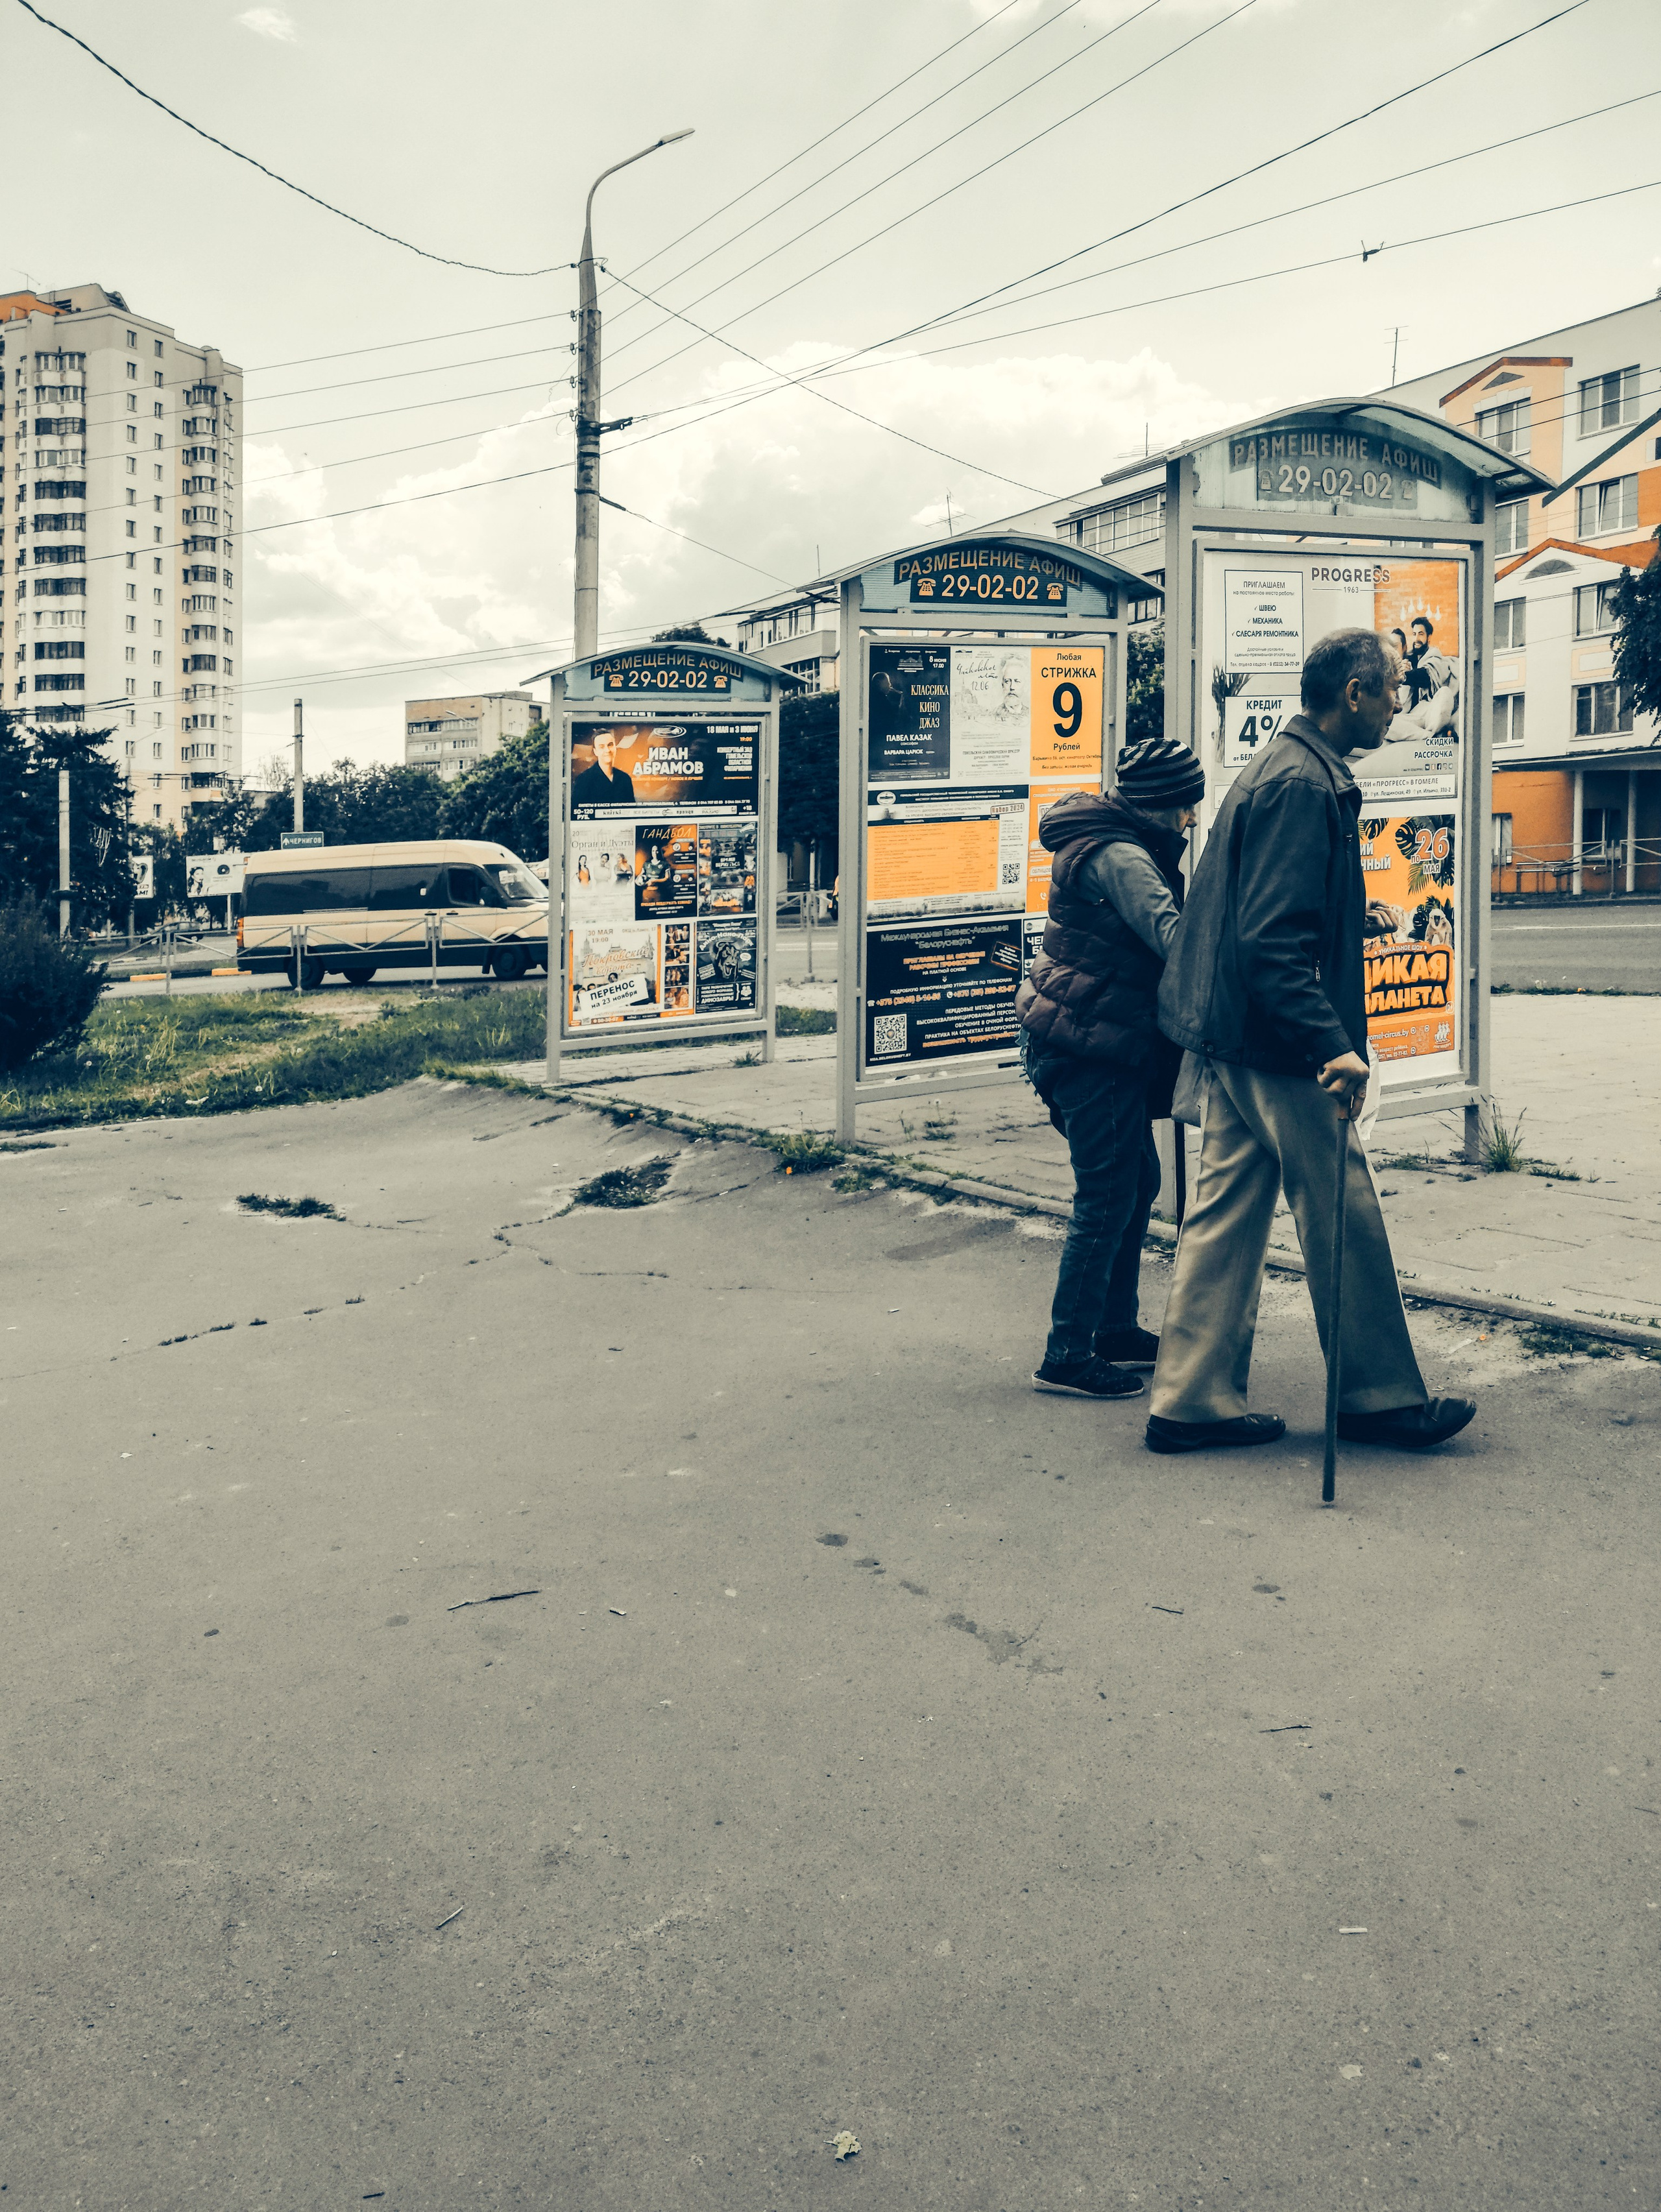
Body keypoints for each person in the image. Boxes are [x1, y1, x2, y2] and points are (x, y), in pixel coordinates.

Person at [1145, 628, 1475, 1455]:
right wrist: (1329, 1043)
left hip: (1239, 1032)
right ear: (1353, 694)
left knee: (1223, 1215)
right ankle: (1377, 1395)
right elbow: (1271, 939)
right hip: (1278, 1041)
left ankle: (1189, 1399)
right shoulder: (1301, 783)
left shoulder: (1288, 766)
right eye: (1391, 687)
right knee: (1342, 1210)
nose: (1400, 703)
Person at [1016, 736, 1206, 1401]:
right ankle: (1067, 1355)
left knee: (1135, 1180)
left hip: (1091, 1035)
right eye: (1184, 805)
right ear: (1156, 803)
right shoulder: (1120, 857)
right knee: (1107, 1193)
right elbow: (1176, 940)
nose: (1190, 818)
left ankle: (1114, 1329)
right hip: (1086, 1046)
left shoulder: (1118, 840)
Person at [571, 728, 636, 809]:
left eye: (610, 745)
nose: (607, 750)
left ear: (615, 748)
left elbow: (631, 811)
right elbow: (576, 811)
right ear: (595, 751)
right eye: (602, 747)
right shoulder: (583, 780)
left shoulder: (625, 779)